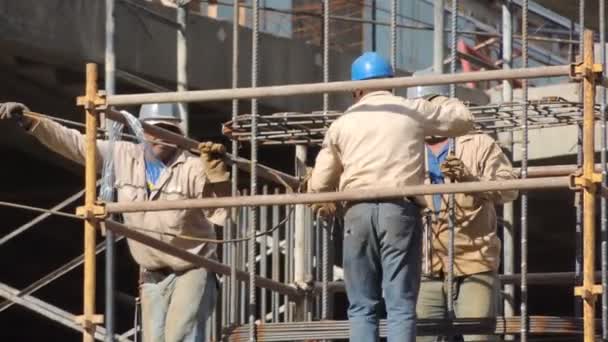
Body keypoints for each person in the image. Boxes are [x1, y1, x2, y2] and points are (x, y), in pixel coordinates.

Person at [0, 102, 229, 342]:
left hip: (191, 269)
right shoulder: (123, 155)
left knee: (180, 338)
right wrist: (31, 120)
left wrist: (219, 180)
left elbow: (222, 212)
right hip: (151, 274)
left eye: (165, 129)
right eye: (151, 129)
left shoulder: (193, 167)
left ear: (178, 135)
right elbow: (76, 144)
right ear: (141, 131)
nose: (157, 137)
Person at [307, 52, 474, 342]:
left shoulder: (343, 122)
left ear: (356, 89)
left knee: (361, 305)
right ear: (392, 83)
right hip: (399, 211)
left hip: (356, 212)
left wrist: (324, 197)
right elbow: (464, 120)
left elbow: (320, 183)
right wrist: (440, 99)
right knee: (400, 304)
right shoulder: (410, 110)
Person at [411, 87, 519, 342]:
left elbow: (509, 188)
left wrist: (471, 180)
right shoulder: (408, 148)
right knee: (424, 338)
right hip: (426, 264)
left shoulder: (478, 143)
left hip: (474, 259)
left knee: (477, 338)